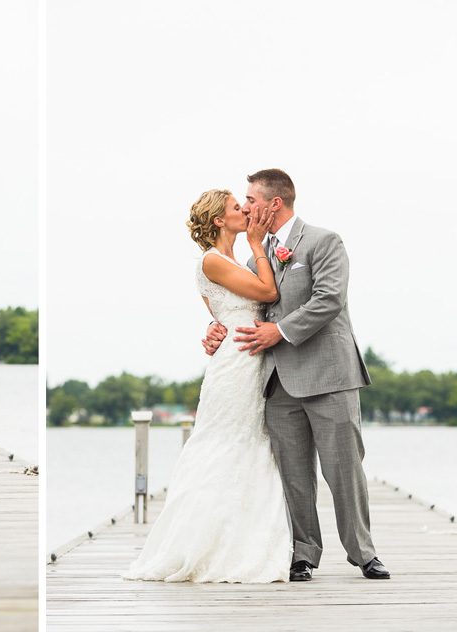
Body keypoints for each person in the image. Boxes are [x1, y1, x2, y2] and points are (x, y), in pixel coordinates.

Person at [205, 169, 389, 581]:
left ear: (274, 203)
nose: (246, 206)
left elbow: (329, 300)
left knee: (344, 468)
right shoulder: (254, 258)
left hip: (329, 375)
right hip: (275, 381)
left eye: (251, 200)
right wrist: (216, 328)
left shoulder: (324, 241)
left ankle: (363, 553)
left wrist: (280, 330)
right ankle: (303, 553)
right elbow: (245, 311)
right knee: (293, 474)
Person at [124, 189, 292, 583]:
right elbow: (268, 294)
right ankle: (203, 545)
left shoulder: (233, 260)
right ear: (220, 220)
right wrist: (257, 243)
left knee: (249, 447)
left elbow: (225, 314)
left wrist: (215, 327)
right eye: (238, 208)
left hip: (248, 359)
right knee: (223, 446)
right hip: (236, 364)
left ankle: (243, 541)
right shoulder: (212, 261)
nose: (246, 211)